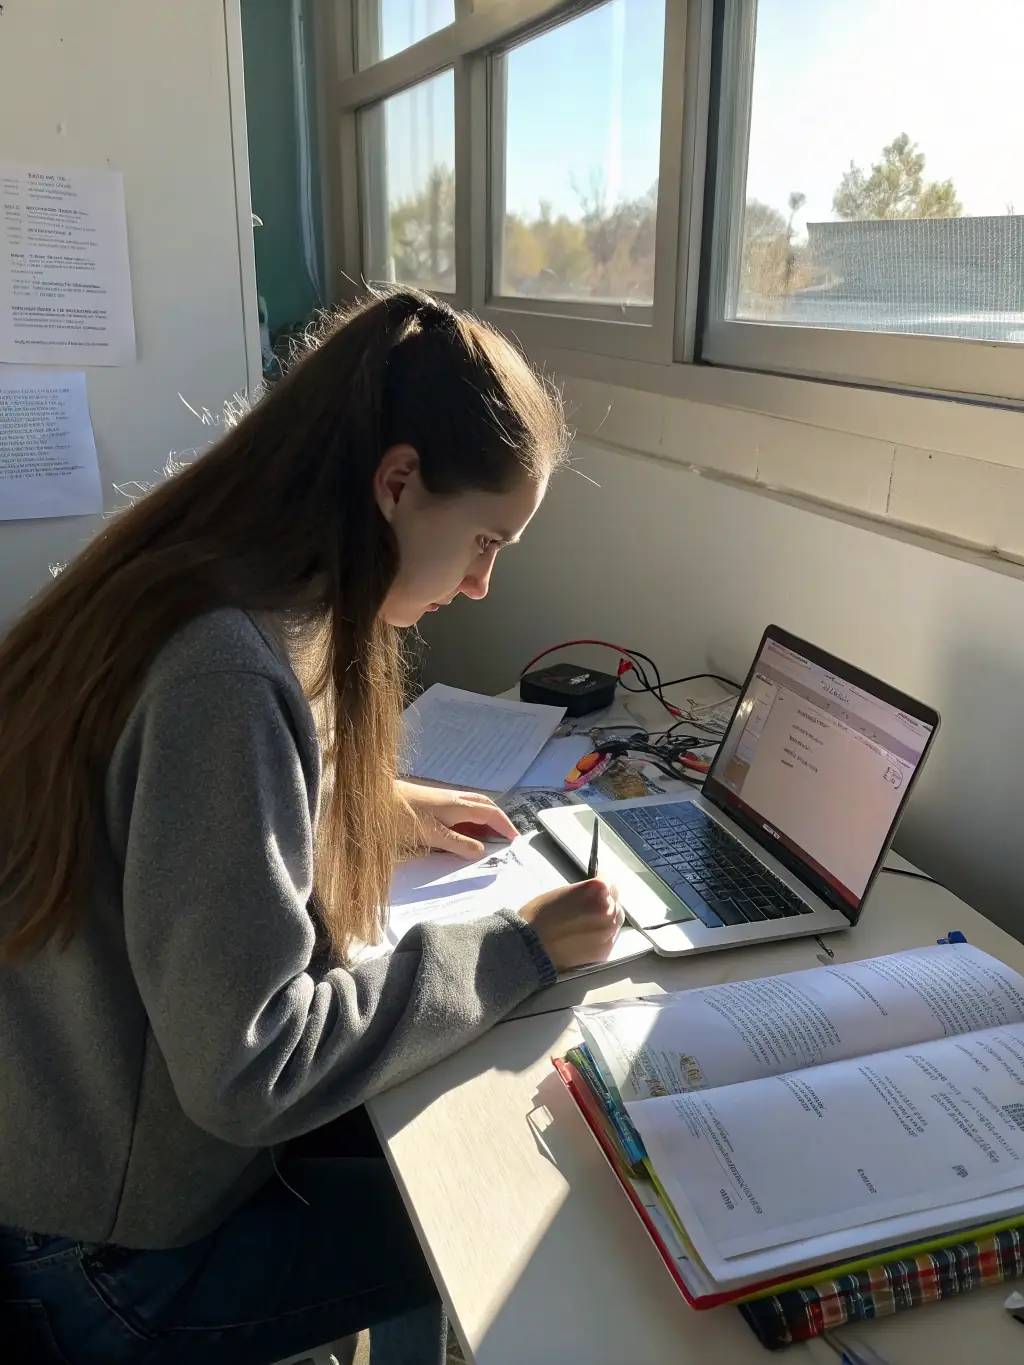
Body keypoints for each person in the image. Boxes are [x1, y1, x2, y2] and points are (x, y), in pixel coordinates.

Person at [0, 287, 623, 1365]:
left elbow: (149, 816)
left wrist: (360, 805)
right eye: (483, 540)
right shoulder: (225, 675)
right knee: (489, 1206)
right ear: (396, 483)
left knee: (434, 1128)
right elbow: (253, 1072)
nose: (481, 585)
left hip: (73, 1151)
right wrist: (519, 950)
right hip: (104, 1258)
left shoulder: (207, 582)